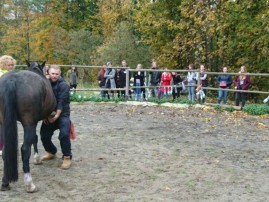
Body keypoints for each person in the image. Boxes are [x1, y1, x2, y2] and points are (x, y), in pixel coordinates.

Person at [40, 65, 72, 169]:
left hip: (63, 114)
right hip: (49, 115)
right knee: (44, 135)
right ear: (49, 72)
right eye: (52, 73)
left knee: (64, 135)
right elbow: (42, 101)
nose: (54, 76)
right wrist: (46, 116)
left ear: (60, 74)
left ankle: (67, 157)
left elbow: (61, 102)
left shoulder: (64, 85)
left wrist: (56, 116)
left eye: (56, 74)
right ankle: (51, 152)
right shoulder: (45, 84)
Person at [0, 55, 16, 156]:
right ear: (3, 65)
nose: (11, 67)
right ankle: (1, 146)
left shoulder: (13, 74)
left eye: (12, 65)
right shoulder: (1, 74)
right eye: (8, 65)